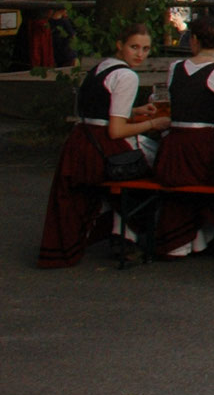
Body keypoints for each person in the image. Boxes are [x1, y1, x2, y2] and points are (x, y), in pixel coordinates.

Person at [37, 23, 166, 267]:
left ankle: (121, 233)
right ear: (120, 45)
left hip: (79, 142)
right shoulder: (127, 75)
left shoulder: (102, 67)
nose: (140, 54)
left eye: (145, 49)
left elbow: (102, 110)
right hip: (102, 147)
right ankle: (127, 236)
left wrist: (135, 110)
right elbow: (116, 130)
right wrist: (153, 124)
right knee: (156, 168)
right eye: (134, 47)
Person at [154, 14, 214, 256]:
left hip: (174, 142)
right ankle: (206, 233)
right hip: (203, 144)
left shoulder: (175, 68)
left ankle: (192, 236)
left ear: (193, 40)